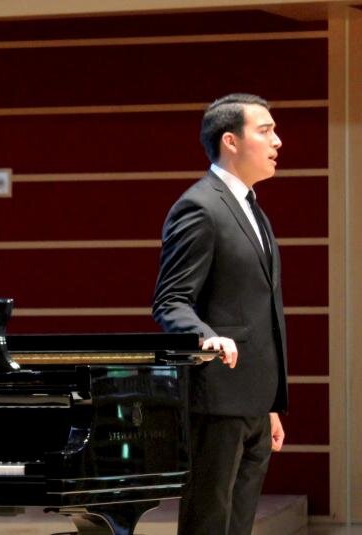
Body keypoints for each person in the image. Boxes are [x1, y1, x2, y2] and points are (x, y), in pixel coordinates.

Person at [152, 93, 289, 535]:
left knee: (239, 524)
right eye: (265, 130)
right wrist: (203, 335)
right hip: (215, 397)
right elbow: (170, 300)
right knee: (208, 522)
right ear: (230, 140)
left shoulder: (253, 208)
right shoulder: (200, 206)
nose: (278, 141)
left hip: (252, 398)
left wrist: (268, 404)